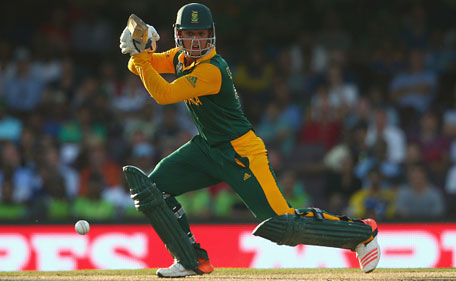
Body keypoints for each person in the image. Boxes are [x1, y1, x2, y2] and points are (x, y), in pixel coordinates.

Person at [119, 3, 380, 278]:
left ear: (211, 34)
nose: (195, 41)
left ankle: (362, 233)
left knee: (283, 225)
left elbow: (163, 94)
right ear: (179, 35)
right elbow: (139, 67)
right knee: (154, 190)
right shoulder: (180, 58)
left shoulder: (212, 69)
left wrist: (140, 54)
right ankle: (190, 259)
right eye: (190, 34)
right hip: (208, 147)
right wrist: (143, 47)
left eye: (201, 34)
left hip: (241, 152)